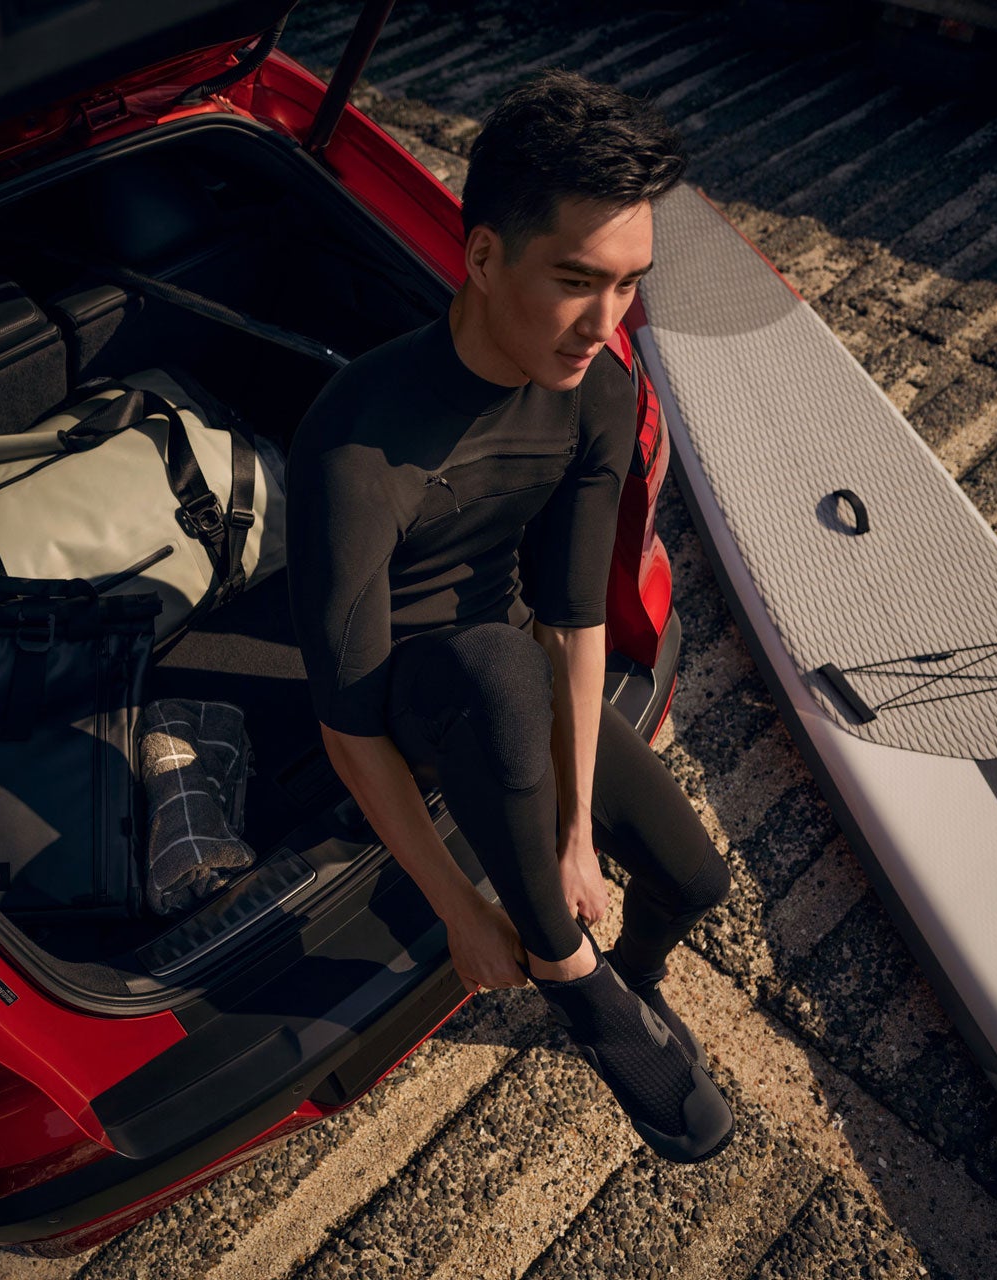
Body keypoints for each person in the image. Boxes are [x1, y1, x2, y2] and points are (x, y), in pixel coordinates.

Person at [284, 69, 734, 1164]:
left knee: (695, 877)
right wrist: (458, 906)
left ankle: (632, 976)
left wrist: (578, 831)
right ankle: (573, 978)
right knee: (493, 665)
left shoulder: (597, 387)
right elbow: (347, 726)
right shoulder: (356, 438)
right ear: (483, 257)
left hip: (517, 672)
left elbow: (575, 619)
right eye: (577, 282)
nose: (605, 322)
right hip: (414, 691)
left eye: (628, 285)